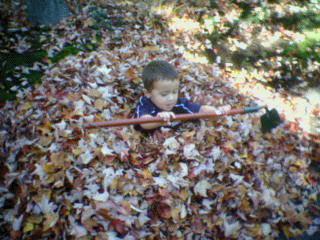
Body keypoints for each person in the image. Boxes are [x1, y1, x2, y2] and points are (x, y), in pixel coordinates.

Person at [134, 60, 230, 131]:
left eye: (174, 92)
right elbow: (144, 122)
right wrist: (160, 120)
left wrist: (217, 112)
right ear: (148, 93)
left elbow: (201, 110)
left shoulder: (179, 104)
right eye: (164, 94)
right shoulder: (145, 103)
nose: (171, 98)